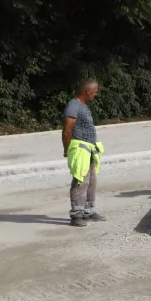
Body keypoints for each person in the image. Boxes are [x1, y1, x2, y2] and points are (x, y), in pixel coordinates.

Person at [62, 79, 105, 227]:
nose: (96, 94)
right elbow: (67, 131)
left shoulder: (83, 106)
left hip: (89, 149)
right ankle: (76, 215)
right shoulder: (73, 105)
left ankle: (88, 211)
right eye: (95, 92)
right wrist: (67, 149)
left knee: (91, 181)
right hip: (80, 150)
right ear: (88, 91)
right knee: (80, 181)